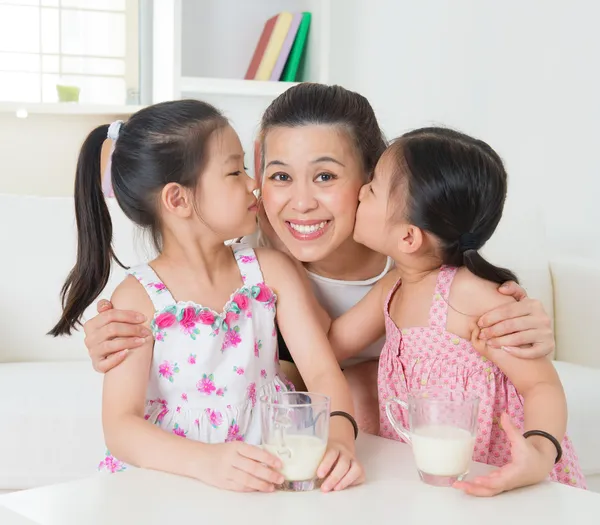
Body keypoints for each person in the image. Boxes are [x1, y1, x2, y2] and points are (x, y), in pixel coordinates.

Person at [81, 84, 555, 434]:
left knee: (364, 388)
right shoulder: (255, 242)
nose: (300, 202)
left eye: (326, 177)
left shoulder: (410, 247)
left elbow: (468, 283)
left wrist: (520, 320)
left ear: (374, 179)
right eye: (279, 175)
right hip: (284, 425)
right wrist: (114, 333)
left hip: (416, 421)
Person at [49, 99, 363, 493]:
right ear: (178, 199)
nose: (254, 183)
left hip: (268, 470)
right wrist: (206, 462)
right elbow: (120, 426)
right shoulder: (139, 299)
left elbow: (320, 372)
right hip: (175, 480)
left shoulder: (272, 271)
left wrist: (337, 439)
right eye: (235, 171)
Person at [328, 127, 586, 494]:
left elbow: (541, 384)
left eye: (371, 190)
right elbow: (329, 345)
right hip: (433, 475)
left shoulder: (469, 295)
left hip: (502, 474)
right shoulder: (393, 289)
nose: (359, 193)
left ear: (407, 238)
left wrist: (540, 452)